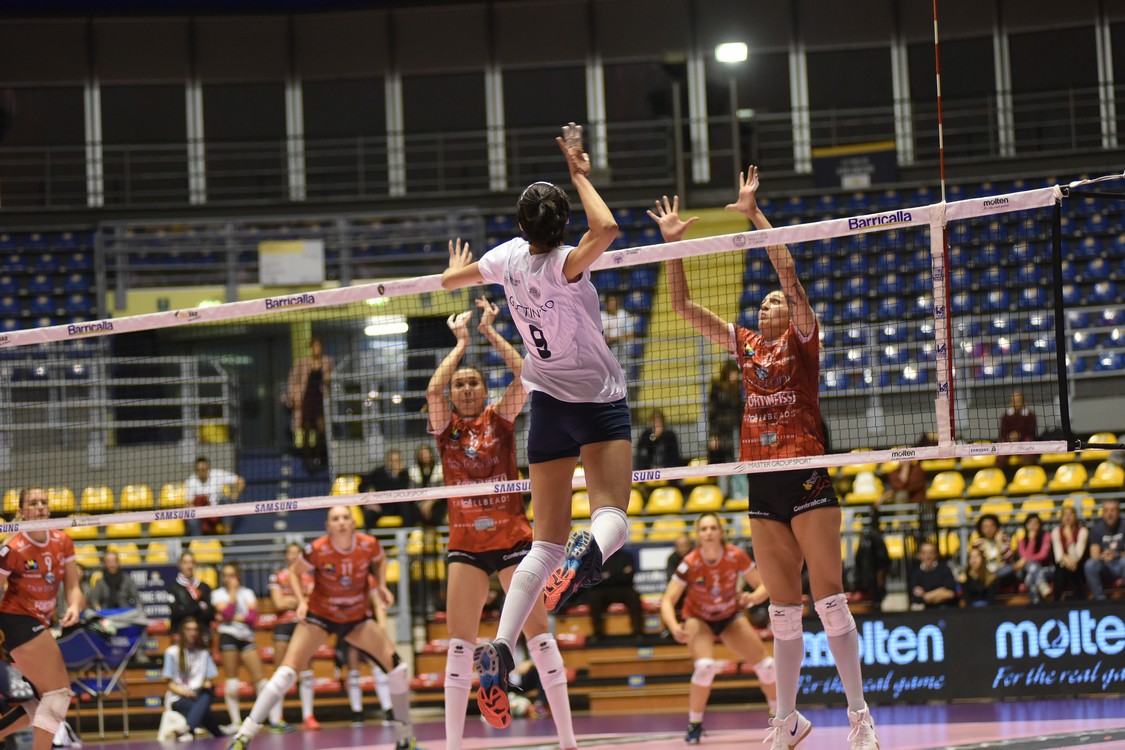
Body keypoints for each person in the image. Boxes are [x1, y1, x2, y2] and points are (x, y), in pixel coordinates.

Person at [650, 168, 878, 748]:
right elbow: (681, 305)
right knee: (782, 613)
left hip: (804, 473)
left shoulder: (803, 340)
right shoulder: (745, 345)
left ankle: (859, 717)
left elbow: (790, 279)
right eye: (763, 302)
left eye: (775, 301)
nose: (768, 304)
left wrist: (754, 216)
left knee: (829, 602)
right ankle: (788, 721)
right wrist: (672, 246)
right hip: (761, 483)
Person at [440, 122, 631, 732]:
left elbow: (450, 283)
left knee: (544, 546)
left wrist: (455, 270)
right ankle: (591, 546)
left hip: (546, 403)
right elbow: (607, 229)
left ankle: (500, 646)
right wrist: (579, 172)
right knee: (612, 515)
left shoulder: (505, 259)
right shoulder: (565, 267)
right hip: (595, 398)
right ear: (561, 227)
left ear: (522, 227)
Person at [426, 297, 577, 750]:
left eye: (473, 382)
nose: (466, 388)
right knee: (460, 644)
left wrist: (490, 332)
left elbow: (525, 373)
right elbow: (432, 392)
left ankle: (568, 741)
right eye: (460, 384)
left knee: (539, 636)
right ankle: (453, 746)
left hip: (512, 539)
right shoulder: (446, 428)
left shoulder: (500, 418)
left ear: (484, 389)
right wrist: (460, 345)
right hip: (466, 543)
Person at [225, 506, 419, 750]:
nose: (341, 522)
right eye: (336, 518)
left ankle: (405, 739)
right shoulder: (318, 549)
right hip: (321, 617)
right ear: (328, 526)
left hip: (356, 618)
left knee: (398, 669)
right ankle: (243, 736)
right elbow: (294, 572)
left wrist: (381, 586)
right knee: (286, 672)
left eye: (346, 517)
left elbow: (380, 560)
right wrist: (302, 601)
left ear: (353, 523)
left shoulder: (369, 544)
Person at [660, 513, 777, 745]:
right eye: (704, 529)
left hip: (729, 615)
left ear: (721, 532)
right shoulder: (690, 562)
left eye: (713, 528)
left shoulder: (735, 555)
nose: (709, 533)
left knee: (767, 666)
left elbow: (764, 586)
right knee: (704, 667)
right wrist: (673, 626)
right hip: (698, 618)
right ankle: (695, 723)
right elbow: (667, 600)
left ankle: (779, 717)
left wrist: (752, 598)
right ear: (698, 535)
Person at [0, 488, 83, 750]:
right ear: (22, 511)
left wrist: (74, 605)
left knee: (40, 700)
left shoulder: (62, 540)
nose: (39, 507)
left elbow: (73, 586)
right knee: (58, 694)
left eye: (43, 502)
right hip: (16, 620)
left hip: (40, 621)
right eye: (33, 503)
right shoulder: (13, 547)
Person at [212, 562, 288, 733]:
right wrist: (232, 595)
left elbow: (252, 617)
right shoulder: (218, 594)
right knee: (232, 682)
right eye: (226, 575)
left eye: (232, 575)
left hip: (246, 636)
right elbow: (227, 613)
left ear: (238, 576)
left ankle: (274, 719)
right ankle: (236, 722)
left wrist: (232, 617)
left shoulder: (247, 593)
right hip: (228, 636)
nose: (229, 579)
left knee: (261, 681)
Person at [268, 543, 318, 730]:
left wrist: (292, 600)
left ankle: (308, 716)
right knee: (281, 670)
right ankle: (276, 717)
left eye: (297, 553)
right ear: (285, 556)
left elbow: (312, 602)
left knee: (306, 671)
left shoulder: (309, 577)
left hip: (303, 624)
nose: (294, 556)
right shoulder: (277, 576)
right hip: (283, 625)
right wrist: (301, 600)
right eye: (290, 553)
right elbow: (278, 603)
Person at [163, 617, 226, 740]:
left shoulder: (203, 653)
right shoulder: (171, 652)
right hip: (179, 698)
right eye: (188, 629)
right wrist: (185, 693)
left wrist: (202, 687)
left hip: (198, 694)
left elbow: (208, 680)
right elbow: (169, 683)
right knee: (204, 709)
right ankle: (216, 732)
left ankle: (188, 728)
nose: (192, 633)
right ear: (182, 632)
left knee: (207, 693)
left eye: (195, 630)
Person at [284, 336, 333, 469]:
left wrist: (328, 379)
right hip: (306, 398)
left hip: (320, 399)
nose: (317, 349)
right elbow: (293, 380)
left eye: (319, 346)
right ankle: (307, 459)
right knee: (306, 428)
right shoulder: (302, 362)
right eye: (314, 346)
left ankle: (319, 457)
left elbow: (330, 379)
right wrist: (293, 396)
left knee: (321, 428)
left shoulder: (327, 361)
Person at [586, 548, 644, 643]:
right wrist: (620, 573)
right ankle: (597, 633)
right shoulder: (597, 558)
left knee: (634, 596)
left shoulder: (627, 556)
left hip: (624, 588)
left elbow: (629, 577)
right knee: (594, 597)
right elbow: (594, 579)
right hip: (603, 589)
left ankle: (637, 632)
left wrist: (608, 575)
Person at [185, 457, 245, 535]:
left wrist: (235, 495)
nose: (202, 471)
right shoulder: (190, 481)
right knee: (191, 518)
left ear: (208, 468)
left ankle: (227, 535)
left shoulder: (217, 474)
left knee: (225, 499)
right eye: (199, 470)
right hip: (201, 514)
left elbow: (240, 480)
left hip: (217, 512)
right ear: (196, 470)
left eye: (204, 469)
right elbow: (188, 503)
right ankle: (198, 540)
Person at [360, 449, 414, 527]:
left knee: (407, 506)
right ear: (388, 461)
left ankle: (407, 532)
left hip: (397, 506)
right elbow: (362, 486)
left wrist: (396, 475)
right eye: (393, 460)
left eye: (398, 460)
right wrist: (369, 503)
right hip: (382, 506)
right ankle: (370, 534)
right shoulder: (378, 472)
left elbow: (403, 490)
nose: (395, 463)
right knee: (369, 514)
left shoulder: (404, 473)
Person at [168, 552, 215, 640]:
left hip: (202, 634)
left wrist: (186, 609)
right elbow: (176, 614)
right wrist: (199, 606)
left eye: (191, 562)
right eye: (185, 563)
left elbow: (210, 615)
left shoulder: (204, 587)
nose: (189, 566)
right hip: (180, 635)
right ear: (180, 565)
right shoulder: (173, 588)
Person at [1084, 498, 1123, 600]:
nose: (1109, 514)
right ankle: (1100, 600)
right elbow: (1094, 555)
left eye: (1113, 510)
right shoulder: (1096, 528)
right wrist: (1105, 556)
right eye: (1106, 511)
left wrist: (1116, 555)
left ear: (1118, 512)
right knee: (1090, 564)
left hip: (1121, 564)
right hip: (1105, 566)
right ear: (1102, 513)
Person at [1050, 504, 1088, 601]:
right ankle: (1056, 603)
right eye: (1065, 515)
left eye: (1070, 514)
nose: (1067, 517)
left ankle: (1080, 602)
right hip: (1062, 566)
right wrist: (1065, 558)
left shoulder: (1083, 531)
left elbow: (1076, 558)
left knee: (1072, 570)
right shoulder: (1056, 531)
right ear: (1061, 518)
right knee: (1062, 570)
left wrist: (1069, 538)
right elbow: (1058, 556)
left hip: (1079, 567)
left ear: (1075, 517)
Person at [1014, 513, 1054, 604]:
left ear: (1040, 525)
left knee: (1030, 576)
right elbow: (1024, 557)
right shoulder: (1021, 540)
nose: (1033, 525)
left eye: (1036, 523)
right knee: (1031, 567)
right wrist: (1032, 541)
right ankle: (1042, 586)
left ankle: (1036, 603)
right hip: (1025, 571)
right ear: (1026, 525)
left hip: (1046, 569)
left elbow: (1043, 555)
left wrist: (1026, 559)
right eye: (1030, 523)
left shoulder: (1046, 536)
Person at [908, 542, 958, 609]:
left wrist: (926, 596)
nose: (928, 556)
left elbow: (950, 594)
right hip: (926, 612)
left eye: (931, 553)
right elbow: (915, 599)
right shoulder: (915, 574)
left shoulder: (945, 570)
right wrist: (941, 591)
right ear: (919, 555)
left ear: (936, 555)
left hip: (946, 609)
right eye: (924, 553)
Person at [707, 360, 742, 456]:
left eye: (736, 373)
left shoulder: (738, 389)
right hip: (720, 430)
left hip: (734, 430)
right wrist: (713, 435)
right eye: (733, 372)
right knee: (718, 457)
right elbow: (712, 413)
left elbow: (740, 411)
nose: (735, 375)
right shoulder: (717, 389)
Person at [971, 513, 1016, 588]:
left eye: (992, 526)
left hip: (1003, 574)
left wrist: (999, 544)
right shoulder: (977, 544)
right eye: (985, 527)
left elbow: (1008, 560)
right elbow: (976, 563)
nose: (989, 529)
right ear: (981, 529)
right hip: (985, 573)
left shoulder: (1005, 540)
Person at [411, 443, 446, 526]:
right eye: (422, 454)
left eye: (426, 453)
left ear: (431, 454)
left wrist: (430, 502)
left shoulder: (439, 468)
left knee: (439, 509)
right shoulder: (414, 470)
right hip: (420, 503)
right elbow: (412, 490)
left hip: (436, 502)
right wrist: (421, 505)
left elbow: (442, 490)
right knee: (411, 510)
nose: (424, 456)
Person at [600, 292, 634, 365]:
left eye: (614, 303)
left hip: (622, 353)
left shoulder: (623, 314)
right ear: (606, 304)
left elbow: (631, 334)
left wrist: (613, 339)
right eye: (610, 303)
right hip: (604, 353)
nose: (613, 305)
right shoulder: (600, 316)